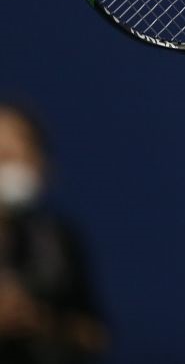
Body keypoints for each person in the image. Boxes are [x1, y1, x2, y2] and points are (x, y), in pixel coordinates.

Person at [0, 100, 108, 364]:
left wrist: (36, 320)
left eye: (16, 156)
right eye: (1, 156)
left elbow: (96, 337)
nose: (7, 168)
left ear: (40, 163)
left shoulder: (58, 240)